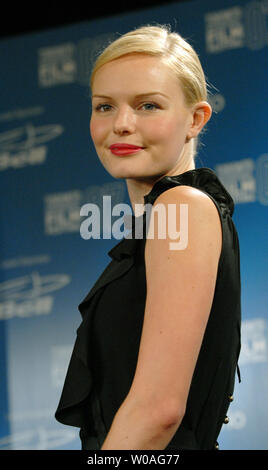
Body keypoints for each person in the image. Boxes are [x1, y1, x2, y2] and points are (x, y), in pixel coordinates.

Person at [55, 24, 241, 450]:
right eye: (104, 107)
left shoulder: (182, 208)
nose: (121, 124)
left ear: (195, 119)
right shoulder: (163, 218)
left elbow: (158, 411)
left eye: (147, 105)